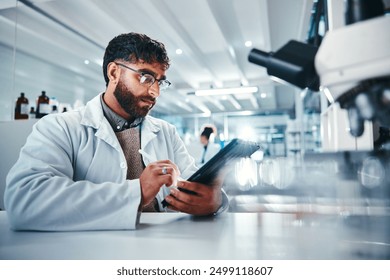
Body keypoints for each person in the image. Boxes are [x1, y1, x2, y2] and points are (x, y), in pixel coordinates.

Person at [4, 32, 227, 231]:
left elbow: (193, 184)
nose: (155, 91)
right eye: (146, 77)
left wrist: (215, 201)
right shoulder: (59, 127)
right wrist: (137, 192)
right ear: (113, 73)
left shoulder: (166, 132)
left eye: (160, 82)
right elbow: (25, 200)